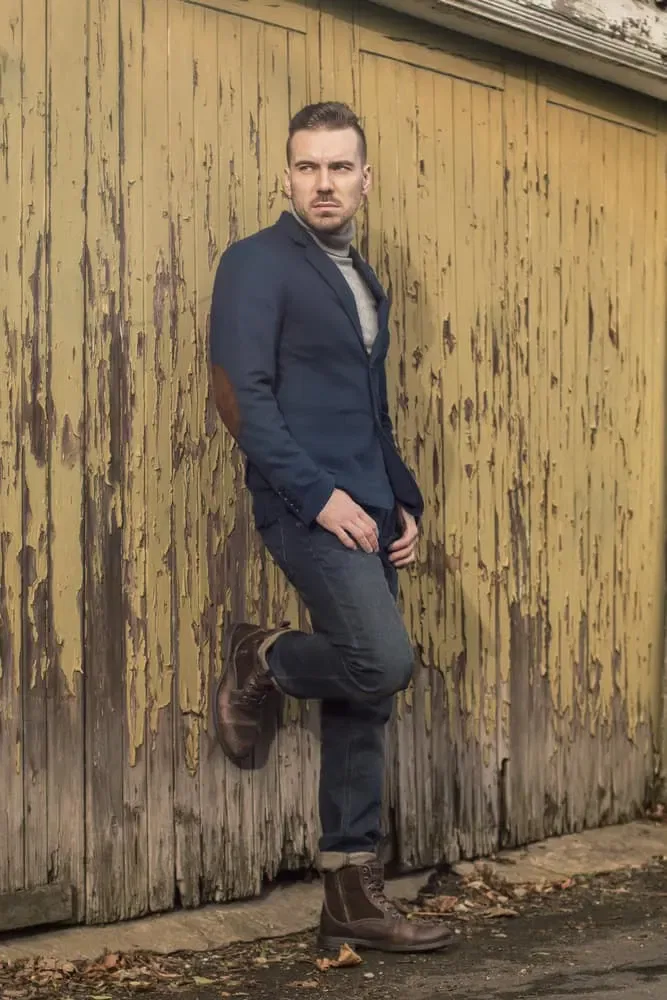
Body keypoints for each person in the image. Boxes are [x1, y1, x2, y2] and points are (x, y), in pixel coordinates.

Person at [209, 102, 451, 954]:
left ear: (364, 180)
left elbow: (366, 409)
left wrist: (402, 499)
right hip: (305, 506)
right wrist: (319, 497)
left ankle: (349, 896)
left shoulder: (361, 275)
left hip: (370, 508)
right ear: (286, 177)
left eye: (339, 167)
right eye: (308, 167)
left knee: (364, 700)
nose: (323, 183)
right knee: (380, 660)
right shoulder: (255, 262)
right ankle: (263, 657)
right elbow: (240, 397)